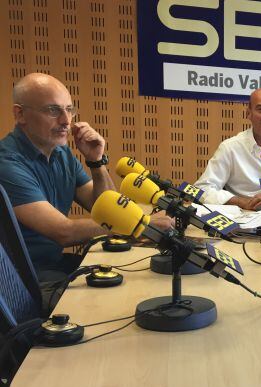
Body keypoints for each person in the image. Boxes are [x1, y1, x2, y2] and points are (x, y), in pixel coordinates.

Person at [0, 73, 172, 282]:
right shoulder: (7, 163)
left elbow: (105, 206)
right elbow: (63, 232)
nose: (66, 121)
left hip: (52, 264)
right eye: (53, 110)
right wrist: (143, 224)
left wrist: (96, 162)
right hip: (21, 279)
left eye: (69, 109)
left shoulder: (61, 154)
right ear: (20, 114)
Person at [194, 88, 261, 210]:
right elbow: (202, 189)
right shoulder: (230, 148)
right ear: (249, 114)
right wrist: (242, 202)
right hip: (244, 219)